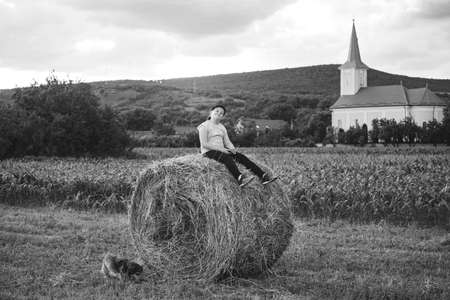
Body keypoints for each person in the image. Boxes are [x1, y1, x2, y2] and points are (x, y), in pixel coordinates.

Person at [197, 104, 277, 187]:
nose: (219, 114)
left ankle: (262, 176)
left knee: (241, 157)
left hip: (221, 150)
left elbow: (227, 141)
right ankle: (239, 178)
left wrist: (232, 149)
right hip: (208, 152)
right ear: (211, 112)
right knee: (226, 158)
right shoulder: (204, 126)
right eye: (217, 111)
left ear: (222, 117)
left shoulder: (221, 127)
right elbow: (204, 144)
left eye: (221, 113)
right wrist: (221, 149)